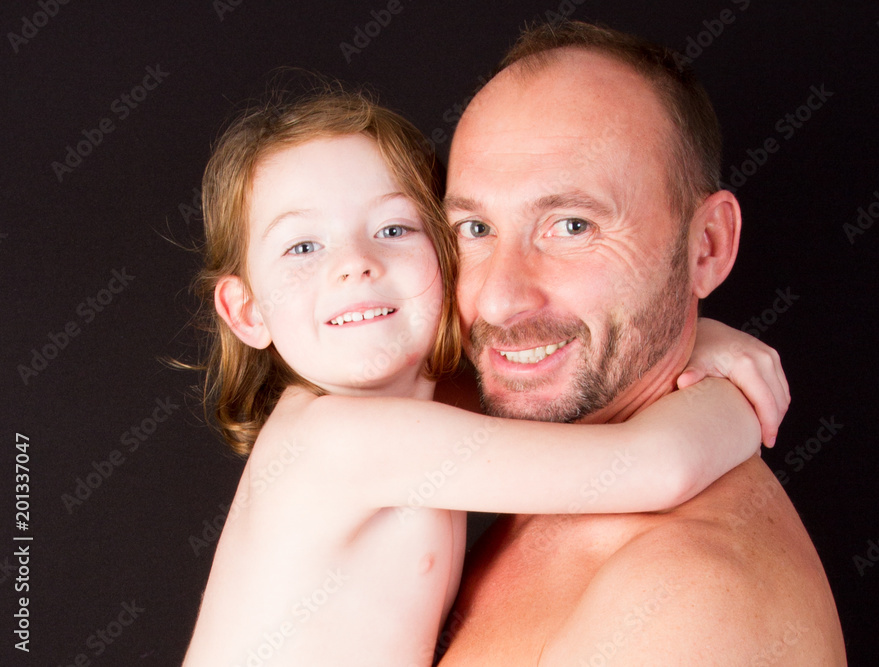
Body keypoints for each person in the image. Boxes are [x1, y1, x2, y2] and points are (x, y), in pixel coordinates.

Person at [180, 82, 789, 666]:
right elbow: (655, 467)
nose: (356, 265)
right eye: (302, 247)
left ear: (447, 257)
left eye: (394, 229)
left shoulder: (425, 405)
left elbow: (569, 359)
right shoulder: (334, 441)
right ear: (246, 310)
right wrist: (737, 397)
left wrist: (697, 333)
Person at [437, 21, 848, 665]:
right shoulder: (538, 472)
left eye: (571, 225)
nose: (499, 299)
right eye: (476, 227)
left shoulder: (687, 604)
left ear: (706, 246)